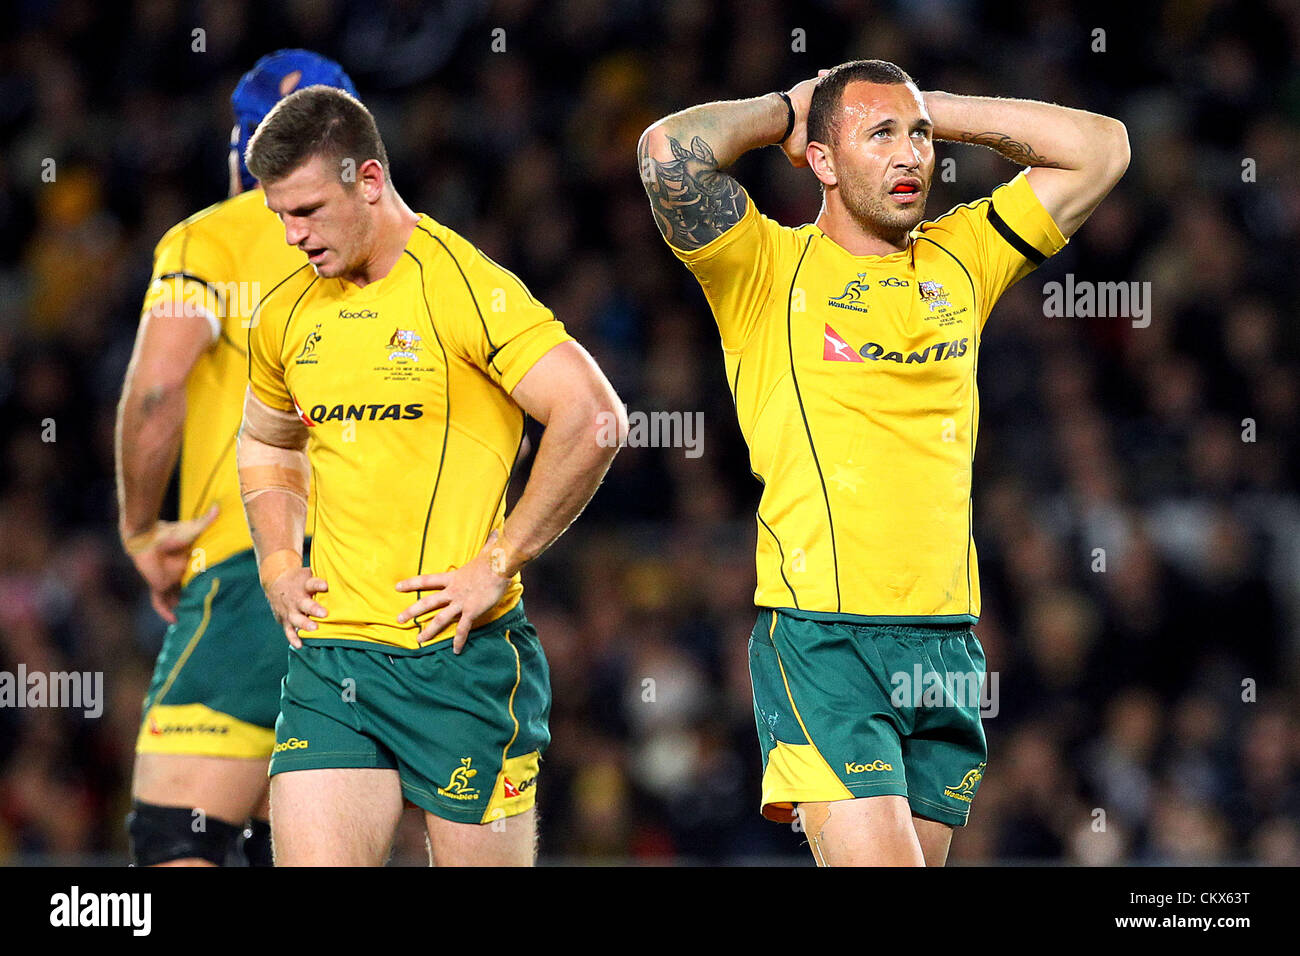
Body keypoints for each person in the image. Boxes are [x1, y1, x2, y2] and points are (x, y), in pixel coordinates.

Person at [638, 59, 1128, 866]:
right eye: (879, 137)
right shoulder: (765, 267)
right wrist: (785, 109)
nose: (910, 157)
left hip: (944, 643)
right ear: (823, 162)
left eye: (919, 140)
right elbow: (667, 153)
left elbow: (1102, 148)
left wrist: (925, 105)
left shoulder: (961, 255)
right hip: (825, 639)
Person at [238, 85, 625, 866]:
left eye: (307, 209)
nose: (291, 235)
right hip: (333, 658)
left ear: (370, 182)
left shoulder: (462, 287)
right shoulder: (285, 313)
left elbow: (594, 418)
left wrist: (497, 562)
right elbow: (267, 443)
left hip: (459, 661)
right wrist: (279, 561)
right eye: (279, 214)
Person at [115, 50, 358, 867]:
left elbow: (155, 392)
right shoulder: (422, 252)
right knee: (285, 840)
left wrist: (143, 528)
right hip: (388, 583)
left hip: (258, 571)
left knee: (176, 835)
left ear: (238, 152)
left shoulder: (211, 241)